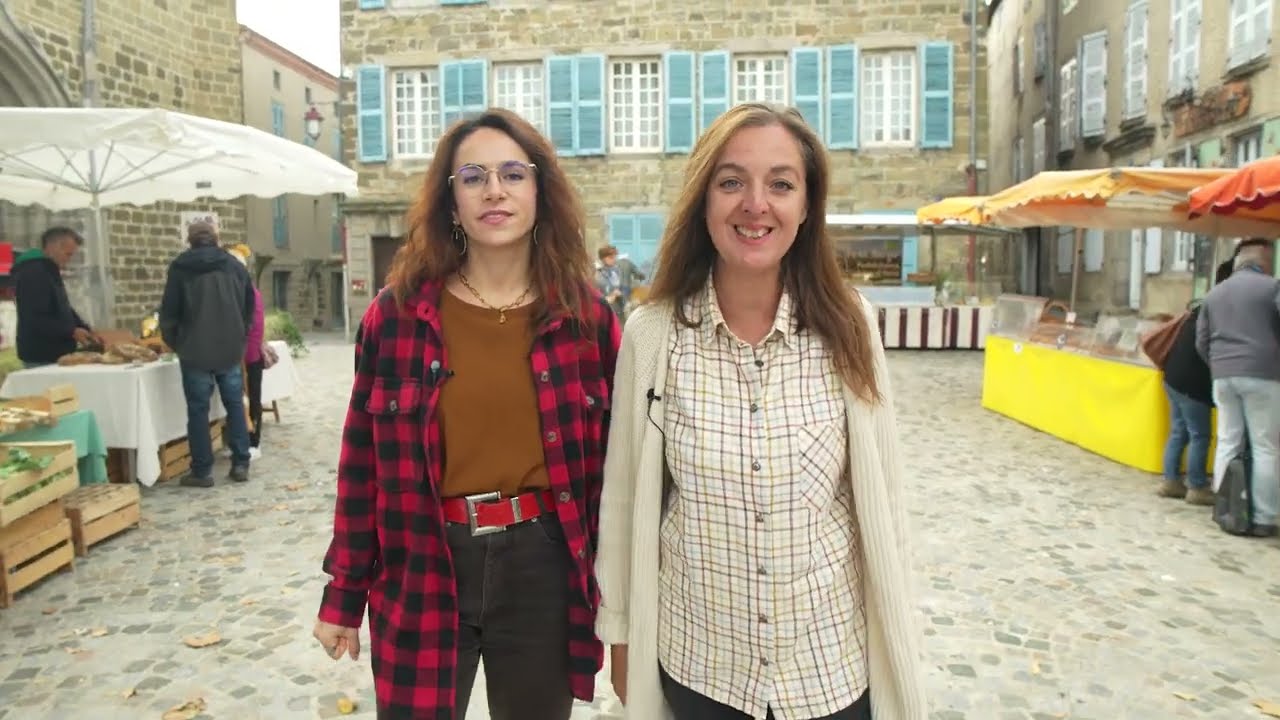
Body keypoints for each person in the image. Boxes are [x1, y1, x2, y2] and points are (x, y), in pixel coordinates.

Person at [595, 103, 926, 720]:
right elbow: (623, 496)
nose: (755, 204)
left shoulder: (851, 325)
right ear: (702, 201)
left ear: (807, 205)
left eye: (780, 184)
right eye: (731, 182)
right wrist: (619, 632)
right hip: (700, 665)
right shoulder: (653, 334)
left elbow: (884, 494)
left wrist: (900, 626)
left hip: (827, 668)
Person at [313, 108, 621, 720]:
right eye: (473, 177)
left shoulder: (586, 322)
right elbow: (361, 467)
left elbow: (621, 472)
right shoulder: (395, 318)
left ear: (540, 194)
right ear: (451, 203)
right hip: (423, 558)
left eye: (513, 174)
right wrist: (343, 593)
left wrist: (623, 595)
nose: (494, 190)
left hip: (544, 564)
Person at [158, 222, 255, 488]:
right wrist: (241, 333)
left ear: (189, 240)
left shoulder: (180, 268)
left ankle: (202, 471)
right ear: (216, 238)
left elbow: (169, 311)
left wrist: (177, 343)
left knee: (198, 410)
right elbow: (249, 304)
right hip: (229, 346)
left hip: (194, 349)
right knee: (234, 405)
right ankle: (240, 462)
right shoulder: (233, 266)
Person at [1196, 241, 1280, 538]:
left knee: (1227, 441)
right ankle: (1264, 517)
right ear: (1265, 262)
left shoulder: (1214, 293)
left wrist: (1218, 364)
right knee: (1265, 445)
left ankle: (1224, 508)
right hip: (1263, 373)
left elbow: (1201, 340)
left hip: (1222, 374)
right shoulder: (1272, 287)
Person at [13, 227, 99, 367]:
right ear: (52, 247)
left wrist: (85, 328)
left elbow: (63, 307)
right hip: (41, 355)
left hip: (58, 352)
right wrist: (71, 331)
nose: (68, 260)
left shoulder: (50, 270)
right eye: (67, 254)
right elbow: (35, 317)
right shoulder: (33, 273)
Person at [1157, 302, 1214, 505]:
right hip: (1192, 383)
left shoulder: (1194, 314)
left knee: (1178, 431)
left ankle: (1170, 481)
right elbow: (1204, 347)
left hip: (1173, 378)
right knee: (1199, 435)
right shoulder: (1215, 316)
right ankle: (1197, 487)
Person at [227, 244, 267, 460]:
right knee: (239, 401)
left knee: (252, 399)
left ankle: (253, 441)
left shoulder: (249, 292)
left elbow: (254, 327)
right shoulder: (237, 291)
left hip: (249, 356)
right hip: (239, 354)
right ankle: (239, 440)